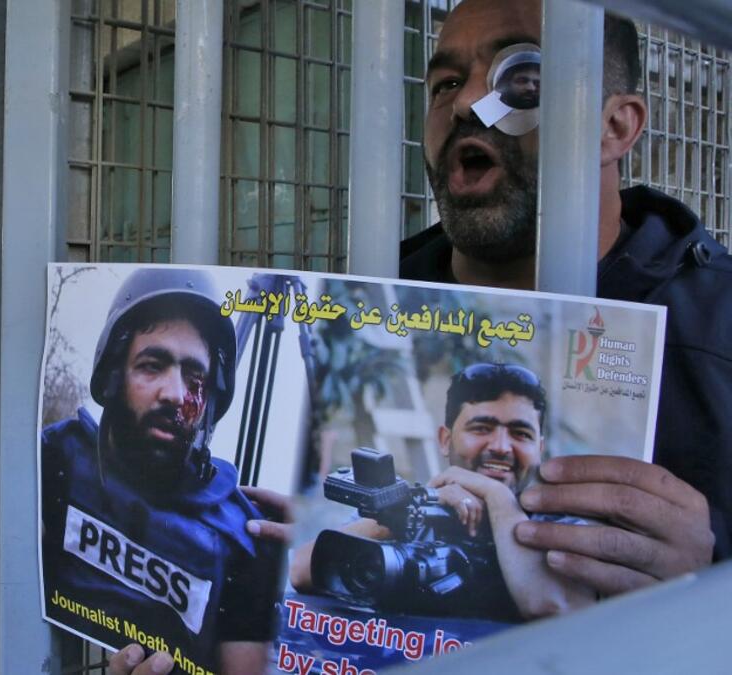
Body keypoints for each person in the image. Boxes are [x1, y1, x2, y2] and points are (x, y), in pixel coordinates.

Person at [402, 0, 721, 598]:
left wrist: (711, 581)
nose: (468, 104)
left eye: (522, 79)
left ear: (615, 126)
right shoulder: (366, 290)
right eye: (446, 83)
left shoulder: (722, 326)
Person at [42, 268, 278, 675]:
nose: (175, 394)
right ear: (114, 375)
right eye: (152, 365)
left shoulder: (241, 541)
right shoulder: (55, 461)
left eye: (195, 377)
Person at [290, 362, 593, 621]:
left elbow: (553, 607)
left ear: (539, 449)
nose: (501, 447)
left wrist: (497, 498)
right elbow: (302, 570)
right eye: (481, 428)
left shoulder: (561, 528)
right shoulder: (424, 510)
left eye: (520, 433)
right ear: (445, 440)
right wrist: (406, 510)